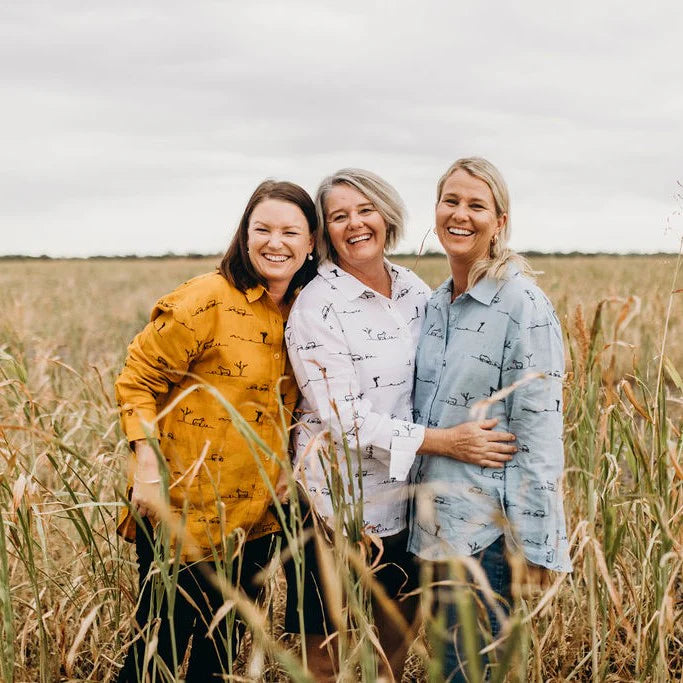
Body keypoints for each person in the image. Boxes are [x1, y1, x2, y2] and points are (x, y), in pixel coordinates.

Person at [283, 168, 517, 681]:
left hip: (409, 497)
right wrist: (446, 442)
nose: (355, 224)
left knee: (397, 627)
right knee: (324, 638)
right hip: (335, 502)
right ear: (324, 232)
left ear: (387, 216)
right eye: (339, 216)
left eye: (365, 210)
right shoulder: (317, 306)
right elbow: (343, 420)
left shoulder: (414, 289)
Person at [114, 180, 317, 682]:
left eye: (291, 231)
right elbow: (137, 379)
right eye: (262, 229)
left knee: (220, 658)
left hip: (255, 519)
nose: (276, 242)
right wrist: (146, 466)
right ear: (244, 235)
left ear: (311, 243)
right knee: (153, 655)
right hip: (181, 512)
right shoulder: (206, 299)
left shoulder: (306, 312)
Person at [408, 157, 572, 681]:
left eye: (477, 205)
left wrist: (536, 546)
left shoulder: (523, 304)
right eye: (450, 201)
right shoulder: (436, 306)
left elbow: (540, 433)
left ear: (500, 222)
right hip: (432, 532)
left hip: (487, 541)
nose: (461, 215)